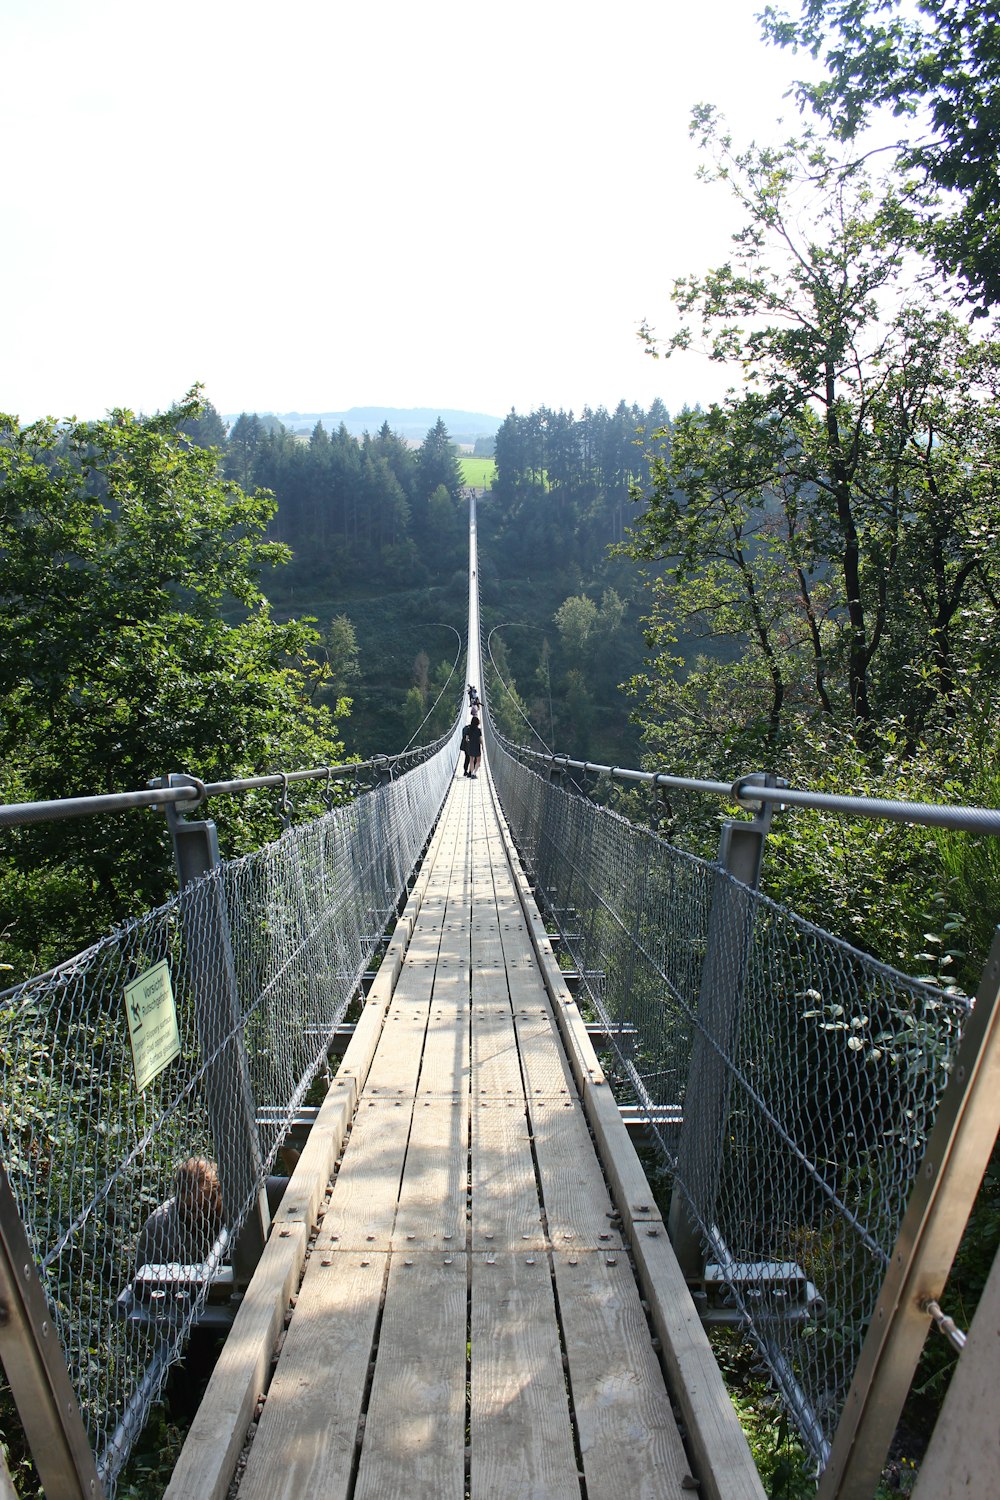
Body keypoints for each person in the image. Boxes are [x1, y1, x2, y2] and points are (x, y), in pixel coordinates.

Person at [135, 1157, 225, 1268]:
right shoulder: (159, 1225)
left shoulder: (229, 1213)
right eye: (188, 1208)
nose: (195, 1216)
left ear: (217, 1194)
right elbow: (143, 1276)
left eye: (202, 1206)